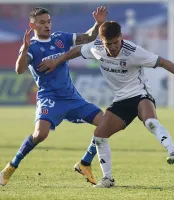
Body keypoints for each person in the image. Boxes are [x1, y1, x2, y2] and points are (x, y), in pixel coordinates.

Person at [38, 20, 174, 188]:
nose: (114, 47)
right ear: (102, 41)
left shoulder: (134, 52)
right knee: (100, 135)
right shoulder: (97, 48)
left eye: (116, 42)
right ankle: (107, 179)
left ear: (121, 37)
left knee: (150, 122)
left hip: (140, 94)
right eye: (110, 44)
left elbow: (163, 62)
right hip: (121, 100)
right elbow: (78, 50)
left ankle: (173, 152)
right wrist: (56, 61)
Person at [0, 6, 108, 186]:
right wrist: (25, 48)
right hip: (50, 98)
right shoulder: (31, 47)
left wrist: (97, 24)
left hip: (72, 98)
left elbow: (88, 37)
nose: (47, 25)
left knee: (105, 123)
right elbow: (19, 70)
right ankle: (10, 167)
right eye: (42, 22)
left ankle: (85, 163)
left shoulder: (61, 38)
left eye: (48, 21)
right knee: (40, 135)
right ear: (32, 25)